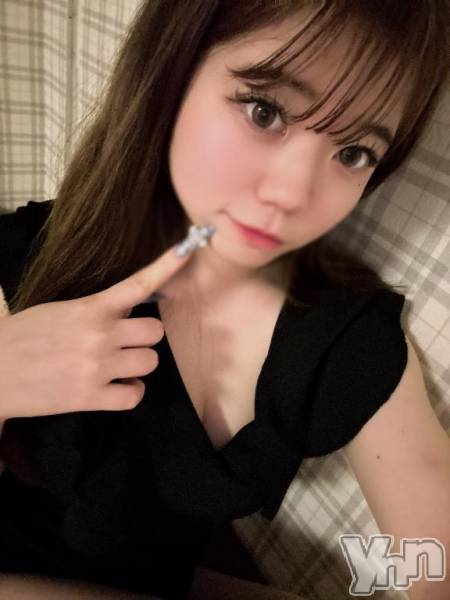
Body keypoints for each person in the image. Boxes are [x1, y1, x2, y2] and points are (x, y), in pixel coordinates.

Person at [0, 1, 449, 599]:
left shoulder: (340, 337)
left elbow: (433, 551)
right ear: (170, 75)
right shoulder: (23, 257)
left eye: (353, 153)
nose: (294, 192)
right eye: (265, 112)